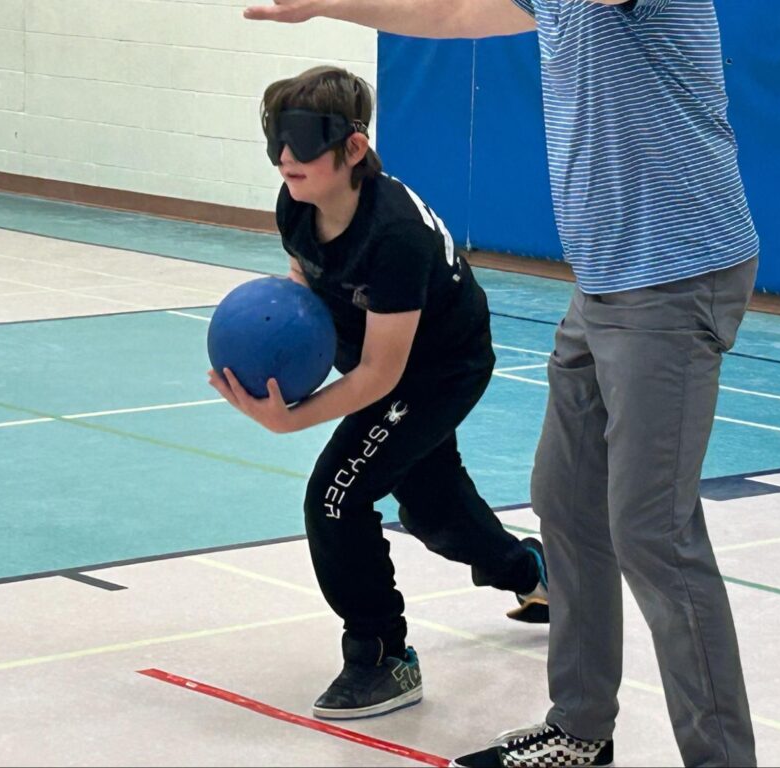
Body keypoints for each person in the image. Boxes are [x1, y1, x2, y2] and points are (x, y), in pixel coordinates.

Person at [243, 2, 759, 767]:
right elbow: (450, 13)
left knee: (652, 532)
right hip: (604, 284)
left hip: (675, 277)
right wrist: (329, 4)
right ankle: (580, 731)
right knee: (567, 504)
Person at [208, 65, 550, 722]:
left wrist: (293, 419)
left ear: (353, 148)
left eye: (303, 142)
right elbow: (306, 291)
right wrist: (276, 360)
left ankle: (381, 655)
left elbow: (381, 377)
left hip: (438, 369)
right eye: (277, 140)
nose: (286, 158)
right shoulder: (298, 204)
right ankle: (537, 576)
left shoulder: (393, 236)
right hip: (381, 360)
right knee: (431, 506)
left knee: (336, 496)